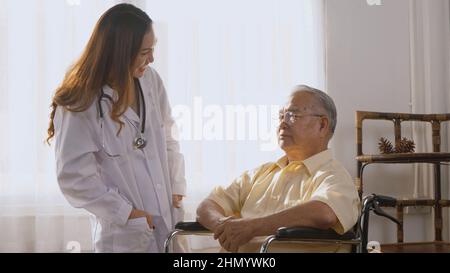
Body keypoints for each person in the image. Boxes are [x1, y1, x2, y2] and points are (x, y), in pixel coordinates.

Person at [46, 4, 186, 253]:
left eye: (152, 50)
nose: (151, 59)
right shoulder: (81, 102)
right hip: (125, 235)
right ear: (121, 53)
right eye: (144, 52)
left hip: (167, 221)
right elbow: (73, 177)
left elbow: (169, 135)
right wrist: (126, 213)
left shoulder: (150, 80)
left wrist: (176, 186)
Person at [196, 85, 360, 253]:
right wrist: (223, 226)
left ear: (322, 125)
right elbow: (207, 205)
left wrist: (251, 227)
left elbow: (324, 213)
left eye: (293, 115)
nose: (282, 123)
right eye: (281, 116)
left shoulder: (334, 176)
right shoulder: (260, 174)